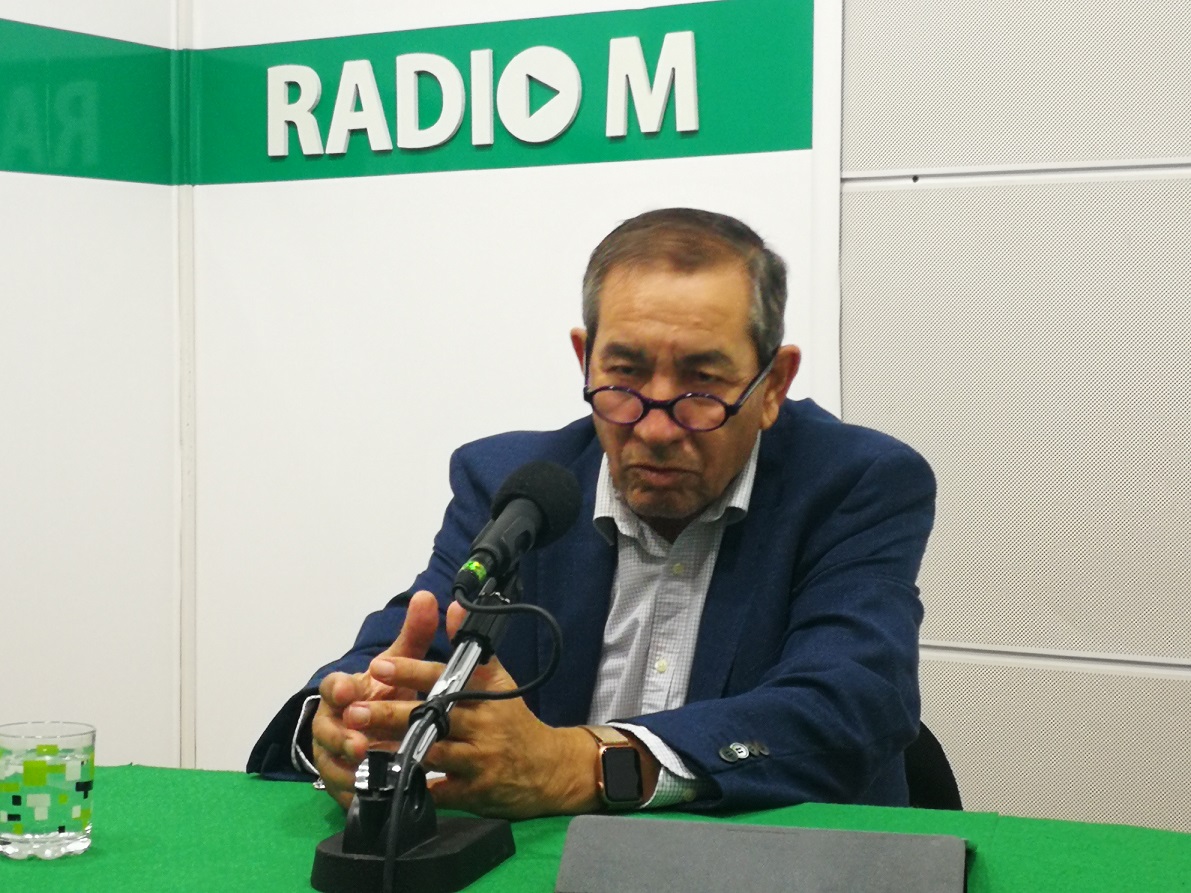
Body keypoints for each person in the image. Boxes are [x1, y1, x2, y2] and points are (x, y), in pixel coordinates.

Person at [248, 207, 936, 819]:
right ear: (585, 359)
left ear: (772, 384)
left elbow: (849, 702)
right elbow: (411, 642)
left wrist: (580, 765)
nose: (656, 427)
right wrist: (344, 722)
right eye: (625, 375)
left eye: (702, 383)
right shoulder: (513, 484)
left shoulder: (856, 483)